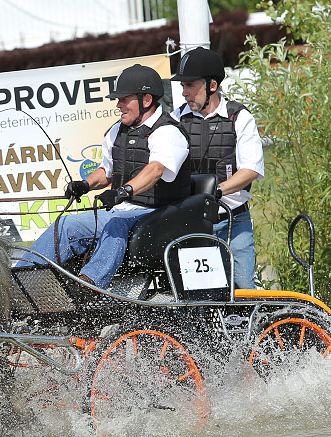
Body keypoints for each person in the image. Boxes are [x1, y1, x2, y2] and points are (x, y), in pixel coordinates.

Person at [23, 64, 191, 288]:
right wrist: (84, 184)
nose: (118, 104)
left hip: (159, 214)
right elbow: (106, 172)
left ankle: (89, 287)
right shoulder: (117, 131)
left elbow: (156, 170)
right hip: (123, 210)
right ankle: (24, 282)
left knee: (115, 223)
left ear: (146, 100)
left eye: (124, 98)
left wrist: (123, 192)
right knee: (64, 224)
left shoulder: (168, 131)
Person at [170, 47, 264, 289]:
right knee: (200, 294)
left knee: (243, 288)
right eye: (183, 86)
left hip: (233, 219)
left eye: (190, 85)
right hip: (191, 224)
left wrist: (217, 191)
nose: (184, 93)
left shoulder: (240, 117)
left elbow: (250, 170)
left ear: (212, 85)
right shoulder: (175, 119)